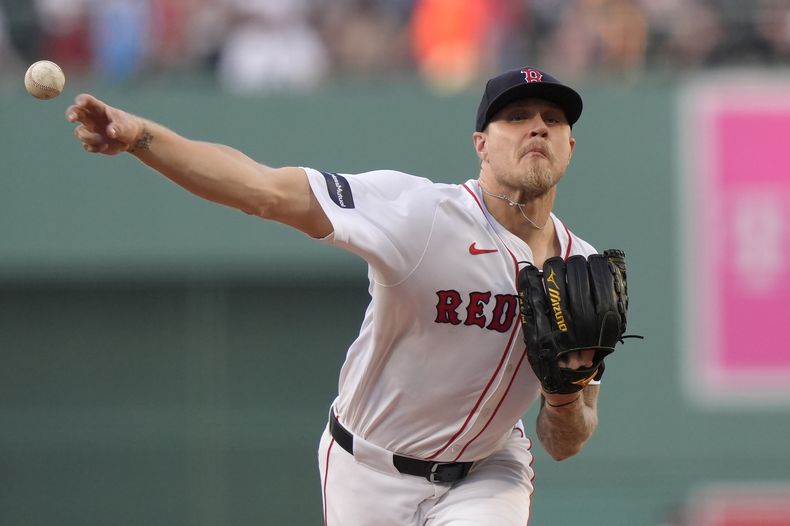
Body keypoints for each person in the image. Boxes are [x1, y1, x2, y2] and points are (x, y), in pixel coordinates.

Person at [67, 67, 605, 525]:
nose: (538, 126)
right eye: (516, 116)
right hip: (368, 468)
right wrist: (143, 138)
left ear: (570, 147)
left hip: (488, 471)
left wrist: (564, 393)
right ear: (481, 144)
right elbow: (263, 190)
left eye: (553, 119)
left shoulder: (584, 273)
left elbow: (566, 442)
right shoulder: (421, 214)